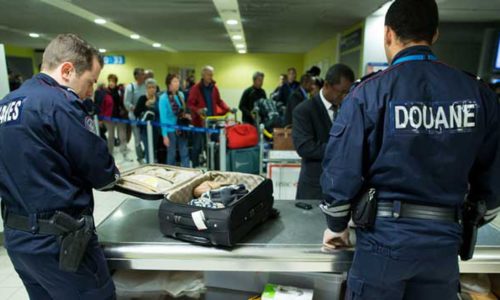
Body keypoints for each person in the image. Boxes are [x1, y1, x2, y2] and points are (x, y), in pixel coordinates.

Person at [320, 0, 500, 299]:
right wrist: (468, 219)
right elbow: (492, 183)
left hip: (383, 241)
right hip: (443, 244)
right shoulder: (477, 94)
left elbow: (341, 172)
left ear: (388, 34)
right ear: (435, 34)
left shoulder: (369, 93)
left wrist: (337, 225)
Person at [0, 33, 119, 299]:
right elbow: (102, 173)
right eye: (90, 82)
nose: (90, 91)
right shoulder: (60, 104)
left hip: (18, 239)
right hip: (62, 244)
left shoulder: (6, 104)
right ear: (67, 70)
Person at [292, 64, 354, 200]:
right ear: (326, 85)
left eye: (348, 92)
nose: (345, 97)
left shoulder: (349, 109)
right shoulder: (304, 110)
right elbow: (305, 147)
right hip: (315, 188)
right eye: (341, 92)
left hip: (343, 188)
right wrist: (343, 149)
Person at [187, 66, 230, 167]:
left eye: (212, 74)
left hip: (212, 122)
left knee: (211, 146)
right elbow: (190, 104)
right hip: (199, 123)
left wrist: (228, 108)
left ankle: (212, 167)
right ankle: (195, 167)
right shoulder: (196, 88)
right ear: (203, 75)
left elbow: (219, 101)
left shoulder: (214, 88)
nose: (211, 77)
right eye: (209, 74)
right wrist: (198, 110)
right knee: (197, 146)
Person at [159, 74, 191, 167]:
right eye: (175, 81)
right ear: (169, 83)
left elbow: (182, 111)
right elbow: (163, 118)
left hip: (181, 127)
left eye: (178, 81)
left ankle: (187, 171)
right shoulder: (163, 98)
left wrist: (186, 116)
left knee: (184, 152)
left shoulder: (180, 95)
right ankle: (170, 172)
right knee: (171, 154)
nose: (177, 84)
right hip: (170, 130)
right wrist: (165, 136)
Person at [100, 74, 130, 160]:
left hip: (120, 116)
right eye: (110, 81)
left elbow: (123, 101)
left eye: (113, 81)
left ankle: (124, 154)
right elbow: (102, 105)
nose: (111, 83)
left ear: (116, 82)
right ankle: (110, 155)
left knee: (122, 136)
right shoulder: (105, 92)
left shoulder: (120, 90)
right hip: (109, 117)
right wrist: (101, 118)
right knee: (111, 137)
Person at [134, 78, 160, 164]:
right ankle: (149, 165)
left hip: (156, 128)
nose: (152, 89)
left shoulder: (158, 99)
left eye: (153, 87)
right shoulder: (142, 98)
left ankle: (154, 163)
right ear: (146, 88)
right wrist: (145, 105)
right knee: (148, 148)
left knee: (154, 148)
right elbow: (136, 112)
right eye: (149, 87)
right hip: (145, 129)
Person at [124, 67, 146, 163]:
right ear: (136, 76)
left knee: (145, 136)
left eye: (143, 74)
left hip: (144, 116)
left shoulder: (146, 86)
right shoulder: (130, 87)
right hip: (134, 117)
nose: (143, 76)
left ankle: (145, 154)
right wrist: (135, 108)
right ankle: (140, 157)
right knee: (137, 138)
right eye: (141, 74)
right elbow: (126, 102)